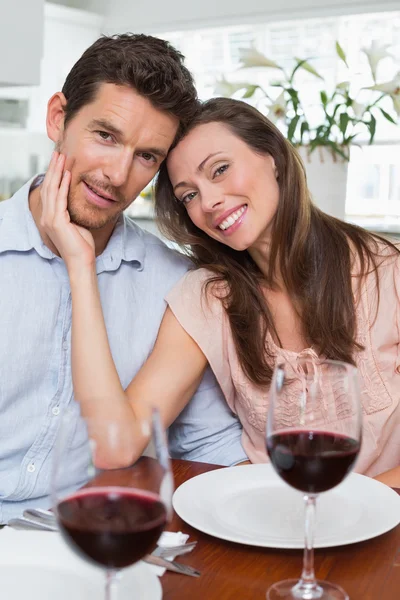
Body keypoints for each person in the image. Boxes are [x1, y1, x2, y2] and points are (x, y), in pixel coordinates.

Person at [42, 97, 400, 486]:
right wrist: (81, 265)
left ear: (272, 156)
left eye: (220, 169)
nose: (209, 202)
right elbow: (117, 446)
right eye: (189, 195)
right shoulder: (208, 299)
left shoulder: (385, 270)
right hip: (270, 527)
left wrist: (355, 510)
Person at [0, 38, 248, 522]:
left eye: (147, 156)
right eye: (106, 136)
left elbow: (209, 442)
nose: (116, 175)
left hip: (94, 539)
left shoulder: (174, 286)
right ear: (58, 118)